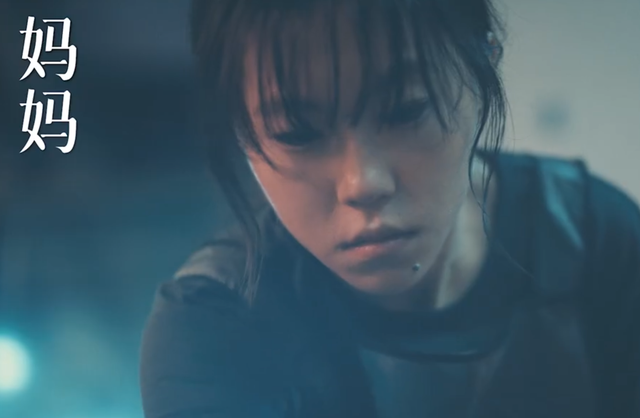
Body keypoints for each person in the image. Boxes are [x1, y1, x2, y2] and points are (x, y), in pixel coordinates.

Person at [139, 0, 640, 417]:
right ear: (239, 127)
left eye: (406, 108)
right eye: (297, 132)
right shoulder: (215, 331)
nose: (363, 183)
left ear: (484, 60)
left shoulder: (589, 239)